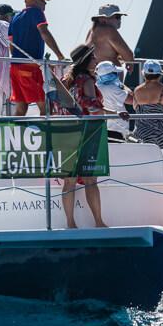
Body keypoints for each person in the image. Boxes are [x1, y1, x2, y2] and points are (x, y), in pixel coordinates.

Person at [60, 44, 108, 229]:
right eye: (93, 57)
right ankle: (99, 222)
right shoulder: (87, 80)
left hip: (66, 133)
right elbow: (91, 106)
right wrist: (108, 113)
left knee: (68, 182)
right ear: (86, 60)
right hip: (87, 132)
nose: (96, 60)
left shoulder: (67, 80)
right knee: (90, 180)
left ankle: (70, 223)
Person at [8, 0, 66, 115]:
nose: (45, 5)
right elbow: (44, 32)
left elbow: (11, 45)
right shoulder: (36, 12)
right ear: (35, 1)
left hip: (15, 67)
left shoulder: (14, 18)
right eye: (43, 1)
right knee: (46, 108)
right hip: (29, 68)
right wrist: (60, 55)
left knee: (21, 108)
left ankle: (15, 133)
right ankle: (46, 134)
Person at [131, 60, 163, 149]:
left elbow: (135, 107)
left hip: (142, 137)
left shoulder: (137, 90)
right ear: (159, 74)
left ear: (144, 74)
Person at [95, 60, 133, 140]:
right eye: (115, 73)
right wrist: (122, 85)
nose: (117, 75)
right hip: (117, 131)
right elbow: (132, 100)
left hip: (105, 129)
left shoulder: (95, 86)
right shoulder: (114, 88)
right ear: (110, 75)